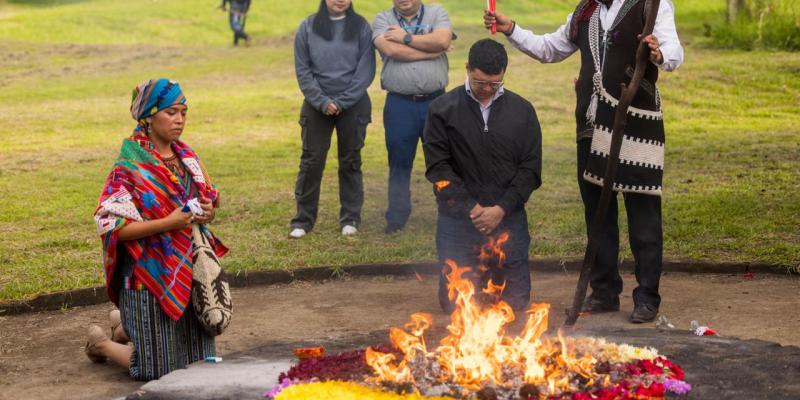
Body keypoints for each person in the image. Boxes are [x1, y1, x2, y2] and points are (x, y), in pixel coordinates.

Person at [485, 0, 684, 323]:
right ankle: (604, 292)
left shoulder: (650, 5)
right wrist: (511, 29)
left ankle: (647, 296)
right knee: (598, 215)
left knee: (643, 215)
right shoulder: (585, 12)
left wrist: (659, 53)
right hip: (591, 128)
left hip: (636, 123)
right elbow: (550, 48)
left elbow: (674, 51)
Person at [86, 79, 228, 380]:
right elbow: (111, 227)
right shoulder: (130, 166)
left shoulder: (187, 157)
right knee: (159, 371)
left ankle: (124, 324)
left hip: (187, 272)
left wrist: (207, 212)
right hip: (145, 276)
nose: (179, 120)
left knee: (201, 364)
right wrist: (169, 223)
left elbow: (211, 201)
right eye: (171, 112)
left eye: (183, 113)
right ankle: (102, 344)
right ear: (148, 117)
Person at [423, 39, 542, 313]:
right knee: (457, 306)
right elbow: (438, 170)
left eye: (495, 84)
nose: (487, 90)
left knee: (514, 303)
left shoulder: (522, 112)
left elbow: (530, 169)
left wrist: (501, 208)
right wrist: (472, 209)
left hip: (508, 219)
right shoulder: (442, 110)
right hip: (459, 222)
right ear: (467, 69)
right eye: (480, 83)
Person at [289, 0, 375, 239]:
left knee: (350, 161)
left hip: (354, 105)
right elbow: (303, 70)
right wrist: (322, 101)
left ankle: (350, 218)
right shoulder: (308, 27)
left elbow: (366, 69)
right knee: (311, 162)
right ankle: (303, 220)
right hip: (317, 106)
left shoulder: (361, 27)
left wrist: (343, 101)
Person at [373, 0, 453, 234]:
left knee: (442, 161)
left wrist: (406, 38)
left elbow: (442, 40)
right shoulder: (382, 19)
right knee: (399, 161)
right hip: (400, 104)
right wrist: (432, 52)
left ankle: (449, 211)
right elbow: (391, 51)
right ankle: (397, 216)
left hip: (436, 103)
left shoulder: (437, 12)